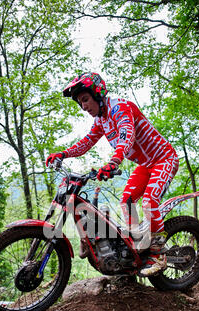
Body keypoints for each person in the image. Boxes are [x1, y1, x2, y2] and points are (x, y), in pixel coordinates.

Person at [46, 72, 179, 276]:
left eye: (85, 99)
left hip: (164, 159)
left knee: (150, 200)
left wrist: (114, 162)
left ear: (97, 93)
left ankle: (159, 253)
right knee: (126, 200)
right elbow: (86, 142)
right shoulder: (101, 120)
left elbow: (127, 136)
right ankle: (139, 245)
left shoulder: (120, 107)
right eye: (80, 103)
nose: (84, 107)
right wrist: (63, 154)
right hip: (146, 164)